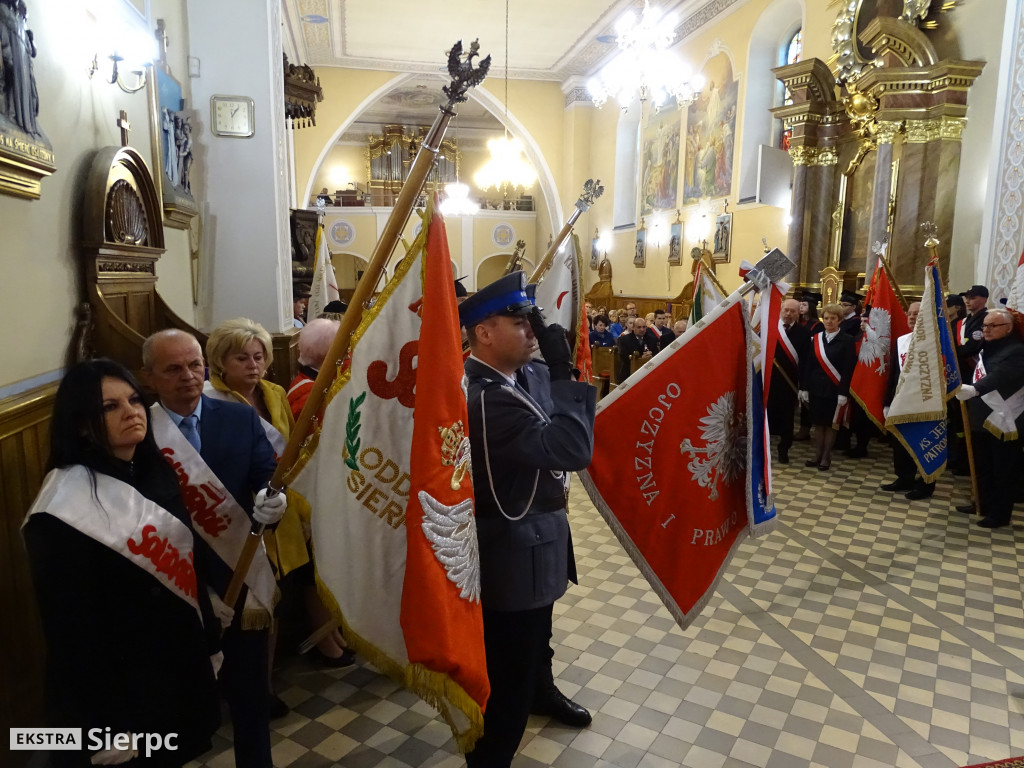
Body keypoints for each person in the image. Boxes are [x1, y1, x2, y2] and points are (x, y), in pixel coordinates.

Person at [23, 359, 221, 767]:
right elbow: (72, 630)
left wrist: (210, 640)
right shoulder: (63, 506)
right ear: (81, 425)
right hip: (120, 683)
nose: (131, 412)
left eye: (133, 399)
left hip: (175, 662)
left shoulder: (155, 471)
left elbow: (188, 563)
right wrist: (106, 722)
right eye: (109, 407)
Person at [461, 271, 596, 768]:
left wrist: (553, 372)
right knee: (508, 677)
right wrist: (563, 370)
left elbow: (565, 421)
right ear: (484, 332)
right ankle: (490, 758)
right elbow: (571, 448)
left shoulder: (528, 374)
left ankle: (543, 690)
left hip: (543, 532)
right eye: (520, 322)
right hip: (512, 550)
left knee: (540, 641)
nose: (533, 331)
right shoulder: (484, 397)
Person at [143, 329, 285, 768]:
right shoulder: (141, 429)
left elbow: (266, 476)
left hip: (237, 574)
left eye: (194, 365)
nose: (188, 376)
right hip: (172, 581)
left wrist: (272, 501)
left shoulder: (239, 418)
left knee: (250, 697)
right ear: (149, 377)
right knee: (177, 701)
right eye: (173, 369)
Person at [955, 308, 1024, 528]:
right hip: (980, 419)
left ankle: (1000, 514)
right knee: (982, 465)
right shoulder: (987, 348)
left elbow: (1000, 376)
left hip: (1004, 419)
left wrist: (975, 389)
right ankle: (982, 503)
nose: (986, 329)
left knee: (1002, 469)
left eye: (992, 326)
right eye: (985, 325)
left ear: (1008, 328)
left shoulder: (1017, 351)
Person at [880, 302, 935, 499]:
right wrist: (887, 402)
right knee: (901, 443)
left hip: (925, 401)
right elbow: (894, 374)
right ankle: (904, 478)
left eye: (917, 314)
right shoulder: (902, 341)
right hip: (900, 401)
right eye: (909, 313)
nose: (911, 317)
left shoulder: (934, 342)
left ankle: (926, 483)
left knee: (923, 444)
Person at [798, 303, 856, 470]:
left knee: (831, 425)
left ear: (840, 320)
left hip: (835, 389)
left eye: (833, 318)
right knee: (818, 423)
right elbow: (808, 365)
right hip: (816, 389)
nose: (829, 321)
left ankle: (826, 457)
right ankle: (817, 455)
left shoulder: (847, 340)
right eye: (826, 318)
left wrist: (843, 392)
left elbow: (848, 368)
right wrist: (804, 388)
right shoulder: (816, 339)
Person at [768, 299, 811, 464]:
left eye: (793, 311)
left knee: (787, 419)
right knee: (766, 417)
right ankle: (763, 450)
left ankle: (784, 450)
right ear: (780, 310)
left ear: (798, 313)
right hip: (769, 382)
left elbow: (806, 362)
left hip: (790, 384)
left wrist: (804, 386)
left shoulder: (803, 333)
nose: (788, 314)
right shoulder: (769, 328)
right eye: (786, 310)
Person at [955, 284, 989, 380]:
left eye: (972, 298)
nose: (967, 301)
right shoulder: (965, 320)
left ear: (984, 299)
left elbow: (973, 346)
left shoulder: (987, 319)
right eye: (966, 298)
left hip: (975, 366)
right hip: (961, 367)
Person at [615, 316, 658, 382]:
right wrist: (641, 358)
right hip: (629, 373)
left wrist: (651, 355)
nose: (642, 329)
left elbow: (657, 354)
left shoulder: (652, 339)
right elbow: (624, 357)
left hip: (648, 372)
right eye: (639, 327)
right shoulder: (623, 340)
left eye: (644, 327)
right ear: (633, 328)